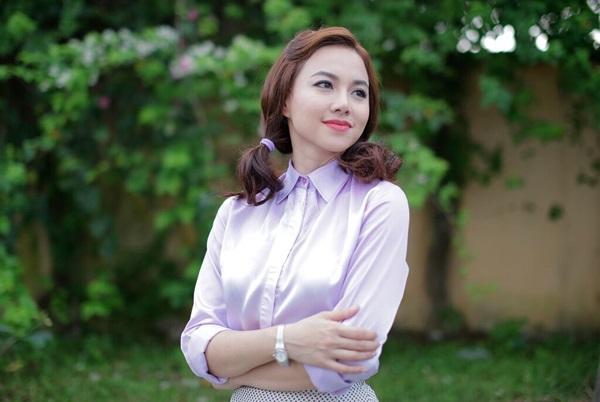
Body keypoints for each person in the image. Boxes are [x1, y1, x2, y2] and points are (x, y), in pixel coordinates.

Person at [181, 26, 410, 401]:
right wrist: (289, 340)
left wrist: (232, 369)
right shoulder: (236, 213)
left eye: (359, 92)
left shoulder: (380, 205)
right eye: (325, 85)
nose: (344, 103)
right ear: (285, 100)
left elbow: (347, 361)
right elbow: (198, 344)